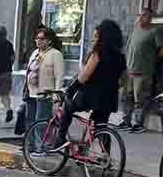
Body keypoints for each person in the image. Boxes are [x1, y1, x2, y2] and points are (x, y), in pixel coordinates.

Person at [52, 19, 127, 151]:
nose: (94, 40)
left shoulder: (98, 53)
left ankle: (59, 139)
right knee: (101, 128)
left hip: (91, 95)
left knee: (68, 107)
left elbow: (83, 76)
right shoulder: (120, 56)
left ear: (104, 37)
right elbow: (125, 79)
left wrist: (70, 89)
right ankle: (105, 158)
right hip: (109, 97)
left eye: (96, 37)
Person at [120, 8, 163, 133]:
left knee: (140, 100)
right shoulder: (135, 29)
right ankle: (126, 121)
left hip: (143, 72)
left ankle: (139, 124)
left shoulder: (154, 31)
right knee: (127, 97)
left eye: (145, 15)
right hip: (130, 71)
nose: (141, 17)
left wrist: (152, 60)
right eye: (140, 15)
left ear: (150, 18)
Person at [24, 27, 65, 150]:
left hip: (45, 93)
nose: (38, 41)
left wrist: (57, 97)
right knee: (30, 120)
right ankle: (30, 145)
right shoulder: (35, 53)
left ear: (49, 40)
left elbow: (59, 76)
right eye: (37, 38)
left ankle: (40, 147)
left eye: (41, 38)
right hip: (31, 92)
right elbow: (29, 72)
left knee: (41, 122)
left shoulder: (55, 54)